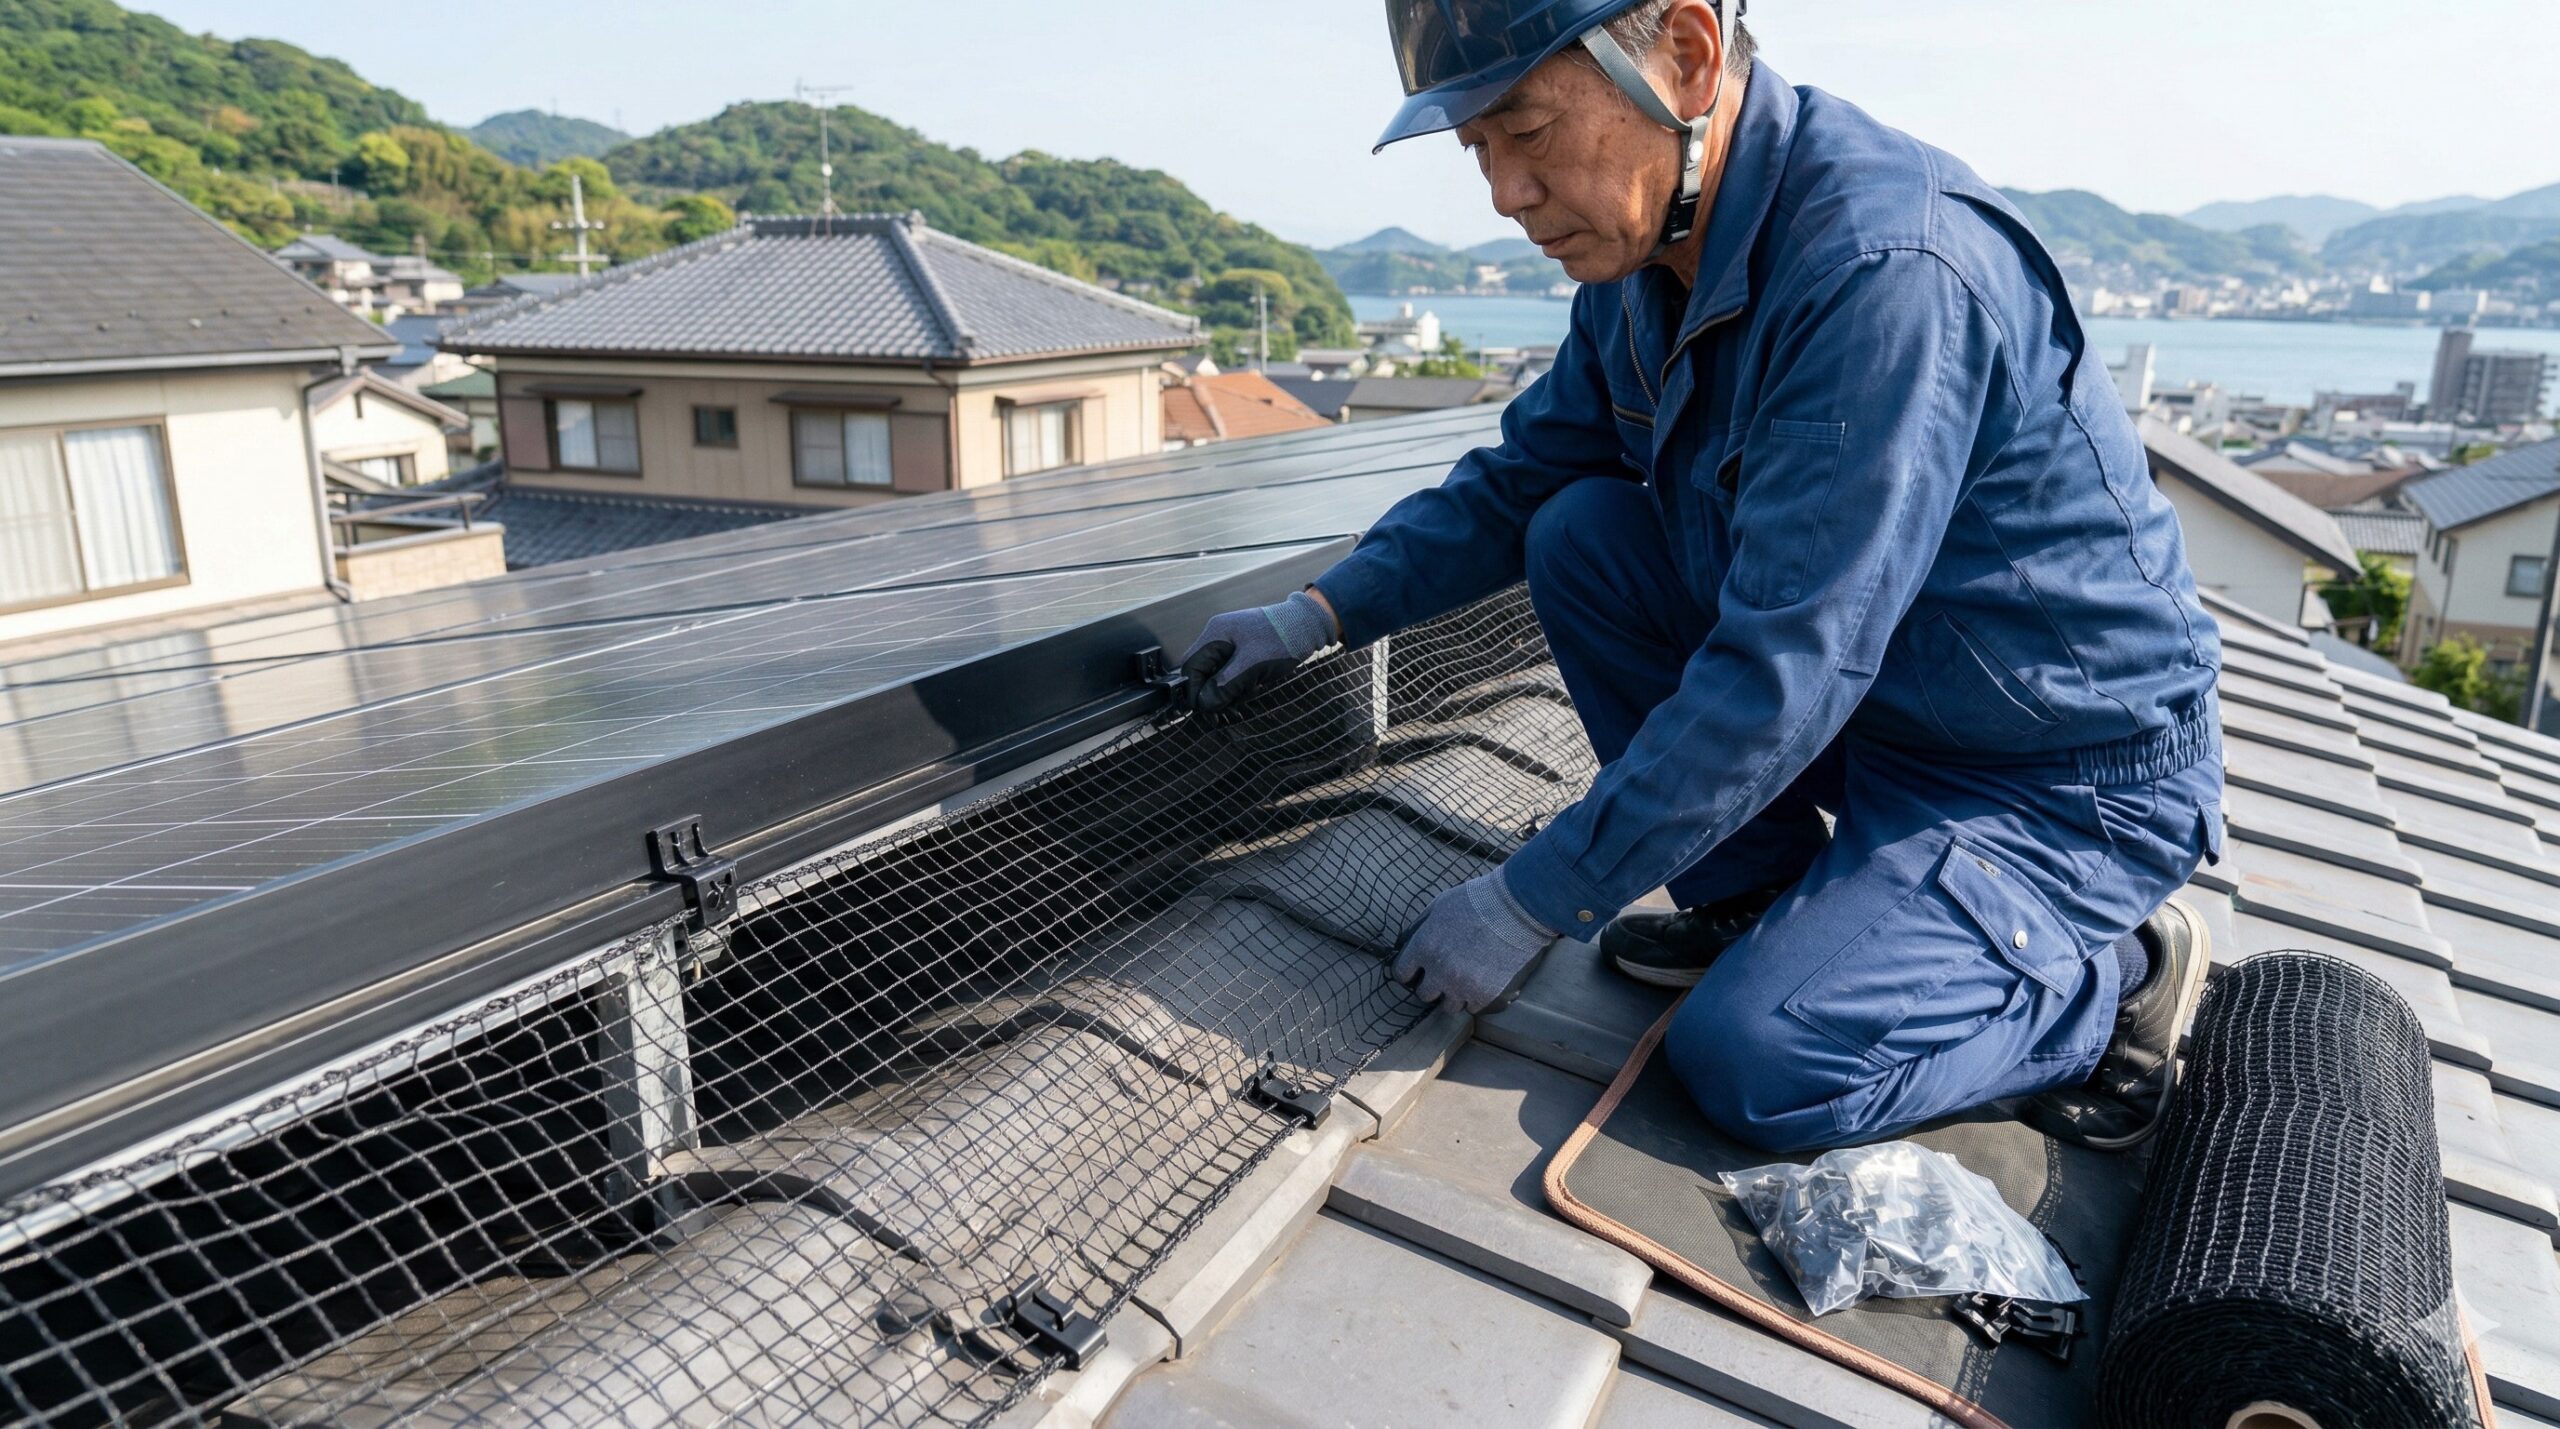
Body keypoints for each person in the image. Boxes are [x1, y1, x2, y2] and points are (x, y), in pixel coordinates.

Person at [1177, 0, 2223, 1154]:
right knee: (1580, 531)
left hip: (2045, 770)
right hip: (1890, 704)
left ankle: (2114, 984)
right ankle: (1760, 898)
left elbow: (1787, 664)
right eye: (1477, 150)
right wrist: (1321, 610)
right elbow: (1525, 475)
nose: (1503, 197)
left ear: (1685, 54)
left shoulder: (1883, 273)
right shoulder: (1644, 260)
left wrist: (1530, 898)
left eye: (1525, 129)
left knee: (1757, 1064)